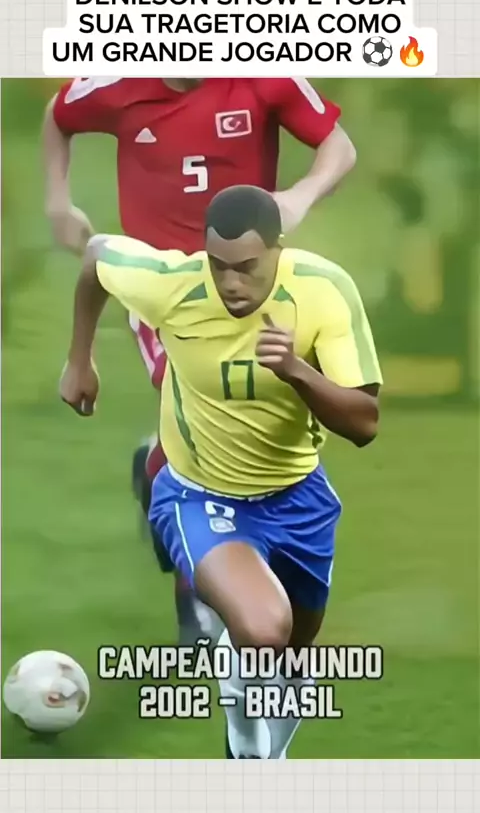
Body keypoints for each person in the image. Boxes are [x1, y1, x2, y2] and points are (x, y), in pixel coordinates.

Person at [60, 184, 382, 759]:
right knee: (262, 628)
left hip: (299, 498)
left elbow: (364, 424)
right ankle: (245, 745)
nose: (231, 283)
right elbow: (96, 255)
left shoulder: (324, 292)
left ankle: (265, 753)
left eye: (247, 267)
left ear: (278, 250)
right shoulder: (172, 285)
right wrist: (79, 360)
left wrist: (297, 371)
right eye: (219, 265)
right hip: (199, 494)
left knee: (292, 659)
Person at [44, 77, 357, 646]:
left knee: (247, 414)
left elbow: (339, 146)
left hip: (246, 288)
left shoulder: (263, 75)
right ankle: (195, 593)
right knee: (195, 393)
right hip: (163, 292)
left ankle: (158, 470)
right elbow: (59, 115)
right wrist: (58, 201)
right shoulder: (119, 82)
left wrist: (300, 195)